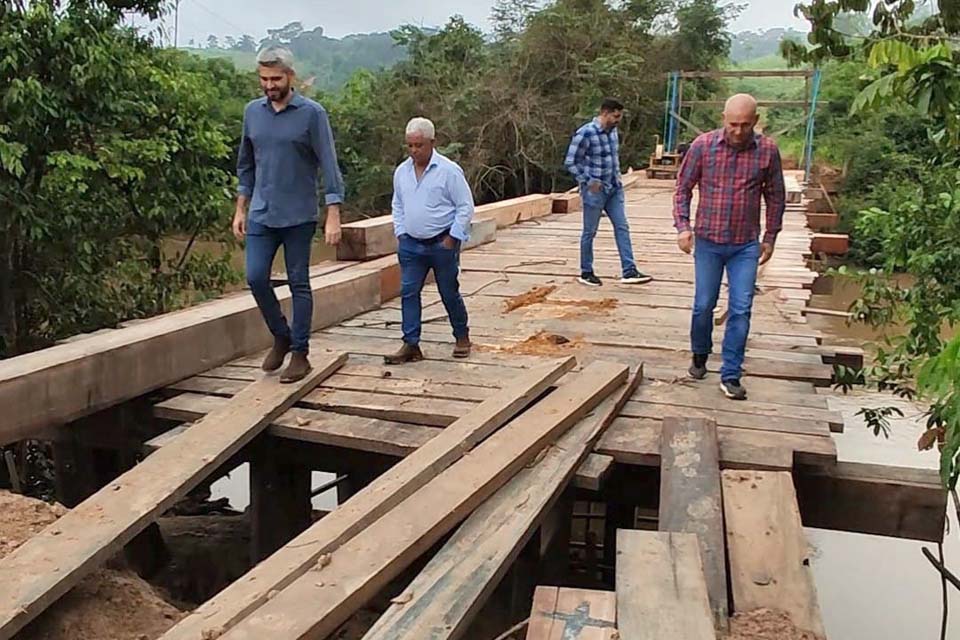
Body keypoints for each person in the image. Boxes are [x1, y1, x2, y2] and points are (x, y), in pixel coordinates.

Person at [233, 46, 345, 383]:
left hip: (298, 214)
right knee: (255, 277)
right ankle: (281, 335)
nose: (269, 85)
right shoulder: (253, 112)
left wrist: (333, 212)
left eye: (275, 79)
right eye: (264, 79)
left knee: (299, 283)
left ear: (290, 77)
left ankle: (300, 353)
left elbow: (329, 163)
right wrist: (241, 207)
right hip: (262, 213)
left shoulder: (312, 114)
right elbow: (246, 164)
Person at [673, 93, 786, 400]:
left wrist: (770, 238)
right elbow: (682, 189)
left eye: (745, 125)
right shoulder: (703, 147)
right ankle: (700, 353)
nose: (738, 131)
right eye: (734, 124)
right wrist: (683, 228)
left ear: (756, 122)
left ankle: (731, 372)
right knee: (703, 305)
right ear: (723, 118)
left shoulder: (767, 151)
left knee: (741, 308)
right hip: (708, 240)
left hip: (745, 245)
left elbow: (776, 196)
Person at [384, 117, 475, 365]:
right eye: (410, 146)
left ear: (432, 143)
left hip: (441, 242)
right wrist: (401, 232)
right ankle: (411, 343)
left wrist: (453, 237)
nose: (414, 151)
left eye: (419, 145)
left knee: (448, 291)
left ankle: (461, 335)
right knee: (409, 291)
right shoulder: (402, 172)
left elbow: (465, 206)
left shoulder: (449, 171)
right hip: (411, 244)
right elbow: (398, 204)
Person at [564, 97, 651, 287]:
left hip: (614, 188)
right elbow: (571, 161)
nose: (618, 120)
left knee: (622, 227)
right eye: (615, 116)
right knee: (590, 231)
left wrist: (618, 179)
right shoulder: (586, 133)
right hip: (595, 191)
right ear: (604, 113)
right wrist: (587, 181)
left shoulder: (613, 132)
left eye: (620, 116)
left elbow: (613, 158)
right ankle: (586, 272)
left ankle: (629, 270)